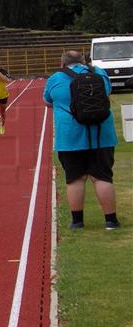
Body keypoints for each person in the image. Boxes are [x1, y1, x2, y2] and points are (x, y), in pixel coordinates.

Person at [44, 51, 119, 230]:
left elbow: (47, 101)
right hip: (102, 135)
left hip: (70, 137)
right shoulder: (99, 73)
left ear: (62, 63)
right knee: (102, 177)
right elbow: (107, 93)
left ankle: (77, 222)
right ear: (84, 62)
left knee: (75, 179)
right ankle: (110, 221)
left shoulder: (55, 78)